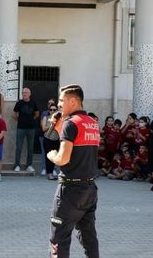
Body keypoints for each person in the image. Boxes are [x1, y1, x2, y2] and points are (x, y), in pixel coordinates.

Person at [46, 84, 100, 258]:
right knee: (88, 235)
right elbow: (78, 147)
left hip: (70, 190)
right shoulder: (92, 123)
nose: (59, 104)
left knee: (58, 238)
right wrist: (59, 125)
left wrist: (52, 155)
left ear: (73, 101)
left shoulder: (71, 124)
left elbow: (63, 158)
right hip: (89, 189)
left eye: (62, 100)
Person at [12, 87, 39, 172]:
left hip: (31, 128)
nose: (24, 94)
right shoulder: (19, 103)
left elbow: (37, 113)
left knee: (30, 148)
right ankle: (17, 165)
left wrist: (32, 119)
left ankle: (29, 165)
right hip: (21, 128)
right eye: (23, 92)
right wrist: (19, 120)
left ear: (29, 94)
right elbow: (14, 114)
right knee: (19, 147)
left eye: (26, 92)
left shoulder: (33, 102)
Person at [42, 105, 61, 180]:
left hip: (56, 139)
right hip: (48, 139)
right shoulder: (46, 118)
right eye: (51, 110)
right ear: (48, 110)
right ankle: (49, 173)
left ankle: (52, 171)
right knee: (49, 157)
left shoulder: (60, 120)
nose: (52, 111)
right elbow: (43, 129)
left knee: (54, 157)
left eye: (54, 110)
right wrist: (52, 125)